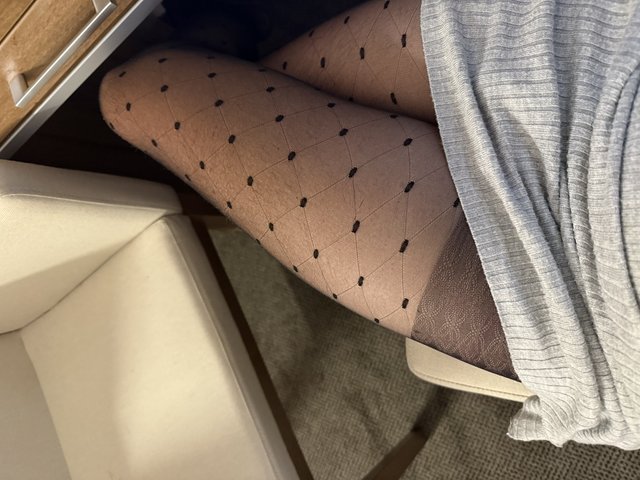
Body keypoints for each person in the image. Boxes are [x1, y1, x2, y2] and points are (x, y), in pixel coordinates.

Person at [101, 0, 640, 448]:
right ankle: (222, 45)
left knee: (131, 93)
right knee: (254, 93)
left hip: (586, 303)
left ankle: (220, 38)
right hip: (605, 68)